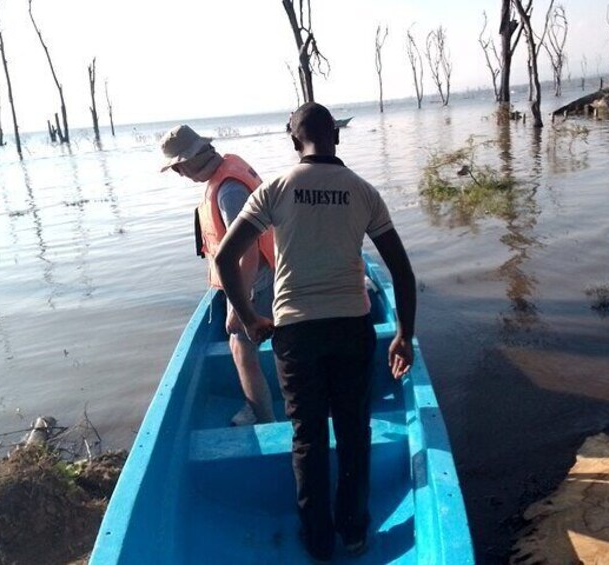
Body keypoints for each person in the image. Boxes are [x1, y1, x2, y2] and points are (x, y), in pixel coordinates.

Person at [215, 102, 416, 561]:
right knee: (353, 431)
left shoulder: (275, 190)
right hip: (351, 327)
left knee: (307, 437)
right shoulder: (363, 192)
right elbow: (401, 271)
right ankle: (355, 532)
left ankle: (319, 541)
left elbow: (226, 259)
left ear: (292, 141)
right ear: (336, 138)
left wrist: (249, 319)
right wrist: (403, 334)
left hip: (297, 334)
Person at [159, 124, 276, 425]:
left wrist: (240, 309)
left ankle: (262, 416)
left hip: (257, 281)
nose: (180, 176)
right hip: (263, 273)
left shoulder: (230, 191)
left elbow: (248, 253)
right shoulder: (226, 173)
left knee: (240, 345)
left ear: (186, 163)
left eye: (177, 170)